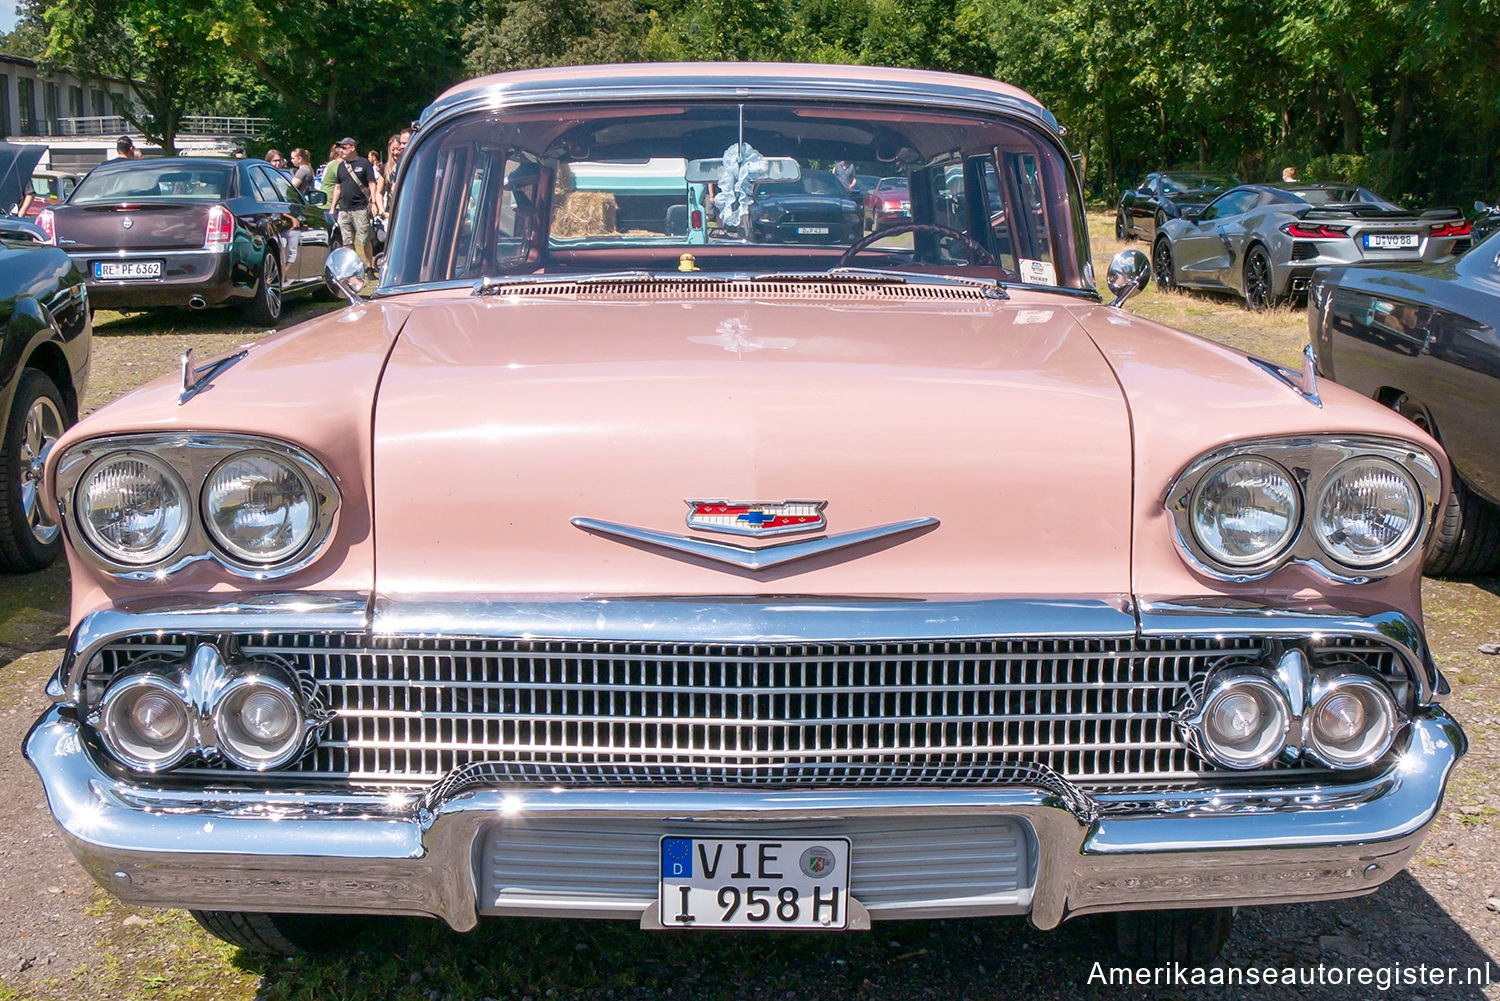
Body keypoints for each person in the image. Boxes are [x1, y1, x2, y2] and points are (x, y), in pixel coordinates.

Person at [333, 137, 379, 268]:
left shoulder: (364, 163)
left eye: (344, 147)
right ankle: (354, 267)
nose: (341, 150)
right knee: (347, 241)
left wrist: (373, 202)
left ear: (352, 148)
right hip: (344, 209)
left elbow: (372, 184)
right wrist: (333, 208)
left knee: (365, 239)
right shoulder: (341, 166)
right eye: (340, 147)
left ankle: (369, 266)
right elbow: (338, 187)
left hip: (360, 208)